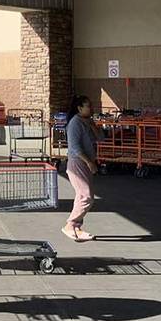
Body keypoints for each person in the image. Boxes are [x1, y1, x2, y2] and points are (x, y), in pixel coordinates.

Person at [63, 95, 99, 242]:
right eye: (88, 106)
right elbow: (75, 147)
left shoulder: (87, 122)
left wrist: (93, 126)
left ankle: (77, 227)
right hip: (77, 163)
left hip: (85, 162)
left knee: (81, 195)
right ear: (79, 108)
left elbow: (101, 137)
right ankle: (70, 224)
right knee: (86, 196)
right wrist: (89, 162)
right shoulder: (75, 124)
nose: (91, 108)